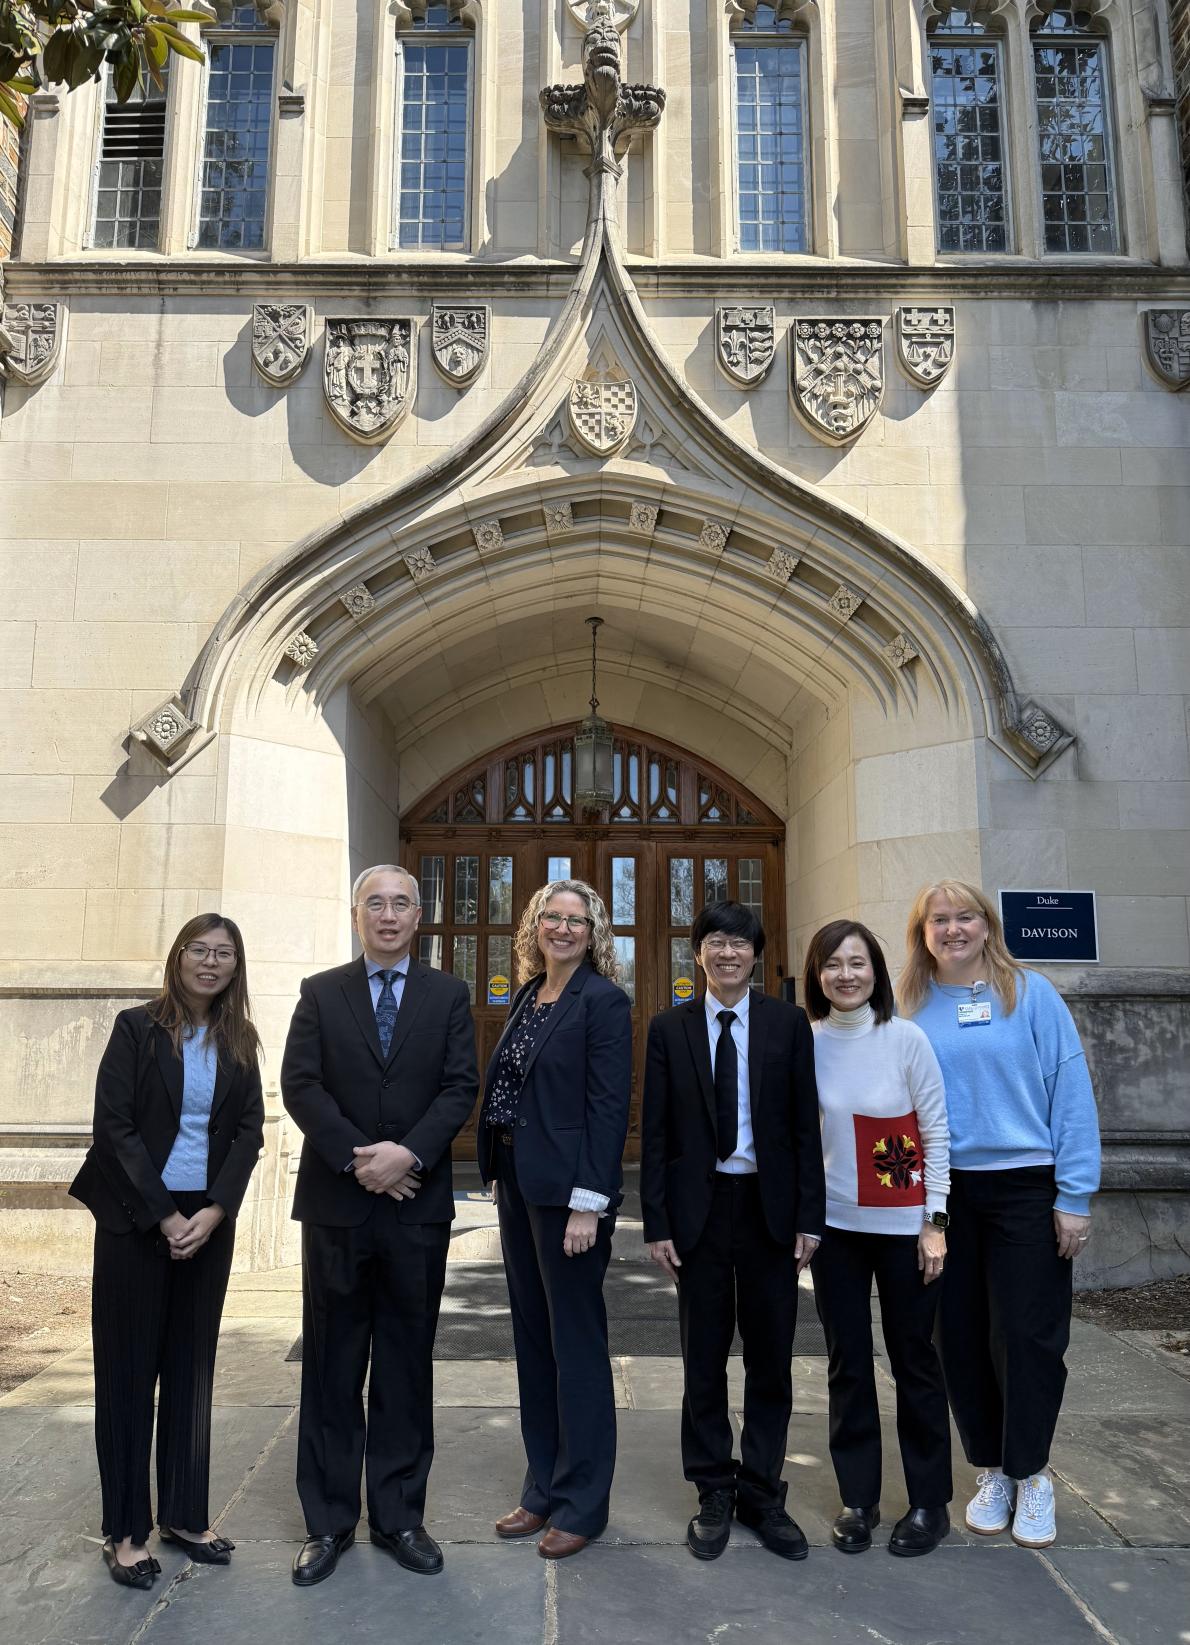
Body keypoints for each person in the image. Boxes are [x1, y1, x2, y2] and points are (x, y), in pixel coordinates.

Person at [281, 865, 477, 1586]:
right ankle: (328, 1520)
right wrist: (359, 1159)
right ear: (356, 913)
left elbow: (460, 1084)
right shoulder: (320, 992)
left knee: (403, 1362)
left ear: (419, 915)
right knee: (332, 1365)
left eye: (400, 903)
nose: (388, 915)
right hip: (337, 1204)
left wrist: (409, 1154)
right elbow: (300, 1083)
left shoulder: (449, 994)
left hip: (417, 1208)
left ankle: (398, 1515)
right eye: (375, 904)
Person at [900, 880, 1101, 1550]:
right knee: (957, 1337)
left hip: (1025, 1187)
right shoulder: (911, 1004)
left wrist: (1073, 1196)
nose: (952, 929)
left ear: (987, 925)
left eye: (965, 917)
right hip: (946, 1194)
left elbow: (1070, 1093)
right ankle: (991, 1467)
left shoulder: (1030, 994)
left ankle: (1031, 1472)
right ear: (922, 931)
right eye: (939, 919)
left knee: (1027, 1335)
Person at [70, 914, 264, 1589]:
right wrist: (163, 1214)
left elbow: (248, 1129)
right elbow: (114, 1126)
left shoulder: (240, 1038)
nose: (210, 963)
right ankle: (125, 1530)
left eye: (224, 954)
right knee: (128, 1378)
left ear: (236, 967)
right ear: (179, 955)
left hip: (207, 1222)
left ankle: (184, 1514)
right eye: (200, 950)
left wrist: (212, 1211)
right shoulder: (136, 1028)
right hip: (134, 1221)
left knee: (190, 1370)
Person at [641, 901, 825, 1564]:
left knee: (772, 1359)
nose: (727, 953)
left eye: (739, 943)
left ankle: (761, 1491)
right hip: (700, 1215)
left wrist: (811, 1216)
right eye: (715, 942)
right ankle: (713, 1488)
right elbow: (656, 1133)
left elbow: (807, 1127)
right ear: (699, 952)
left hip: (772, 1212)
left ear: (756, 954)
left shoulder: (787, 1023)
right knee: (704, 1360)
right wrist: (655, 1222)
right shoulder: (670, 1028)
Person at [478, 879, 631, 1560]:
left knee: (576, 1350)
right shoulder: (526, 994)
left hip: (568, 1197)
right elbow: (510, 1086)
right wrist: (493, 1161)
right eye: (552, 917)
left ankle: (581, 1502)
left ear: (595, 931)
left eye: (577, 919)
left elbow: (606, 1108)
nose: (563, 928)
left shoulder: (602, 1001)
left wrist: (589, 1201)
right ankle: (541, 1486)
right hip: (516, 1184)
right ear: (535, 925)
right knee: (534, 1343)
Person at [803, 919, 952, 1557]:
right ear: (816, 975)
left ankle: (928, 1502)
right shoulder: (803, 1042)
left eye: (858, 963)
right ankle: (857, 1498)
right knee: (848, 1366)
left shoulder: (907, 1039)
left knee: (914, 1361)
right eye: (833, 963)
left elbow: (937, 1132)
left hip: (903, 1230)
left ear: (877, 970)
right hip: (836, 1231)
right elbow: (800, 1142)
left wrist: (935, 1223)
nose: (846, 974)